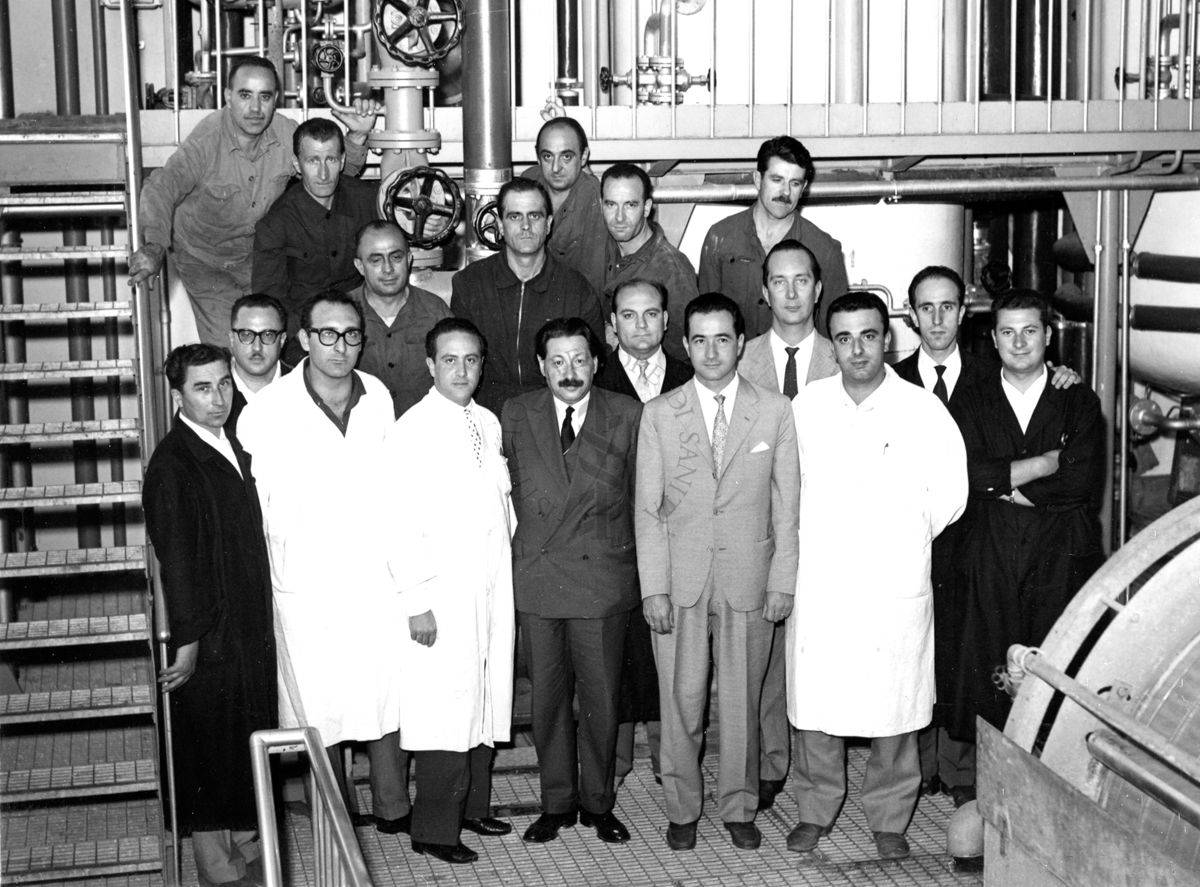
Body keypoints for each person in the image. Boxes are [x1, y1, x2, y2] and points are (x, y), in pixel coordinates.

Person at [786, 291, 967, 861]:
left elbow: (951, 495)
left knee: (896, 706)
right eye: (844, 338)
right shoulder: (807, 406)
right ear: (831, 344)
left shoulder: (920, 408)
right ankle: (816, 811)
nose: (857, 348)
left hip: (894, 583)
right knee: (818, 705)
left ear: (886, 339)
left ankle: (890, 818)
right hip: (824, 584)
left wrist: (902, 539)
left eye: (868, 335)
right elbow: (786, 489)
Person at [893, 266, 1079, 805]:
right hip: (913, 535)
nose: (936, 318)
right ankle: (916, 767)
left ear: (965, 312)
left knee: (966, 651)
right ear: (910, 314)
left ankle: (961, 771)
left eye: (947, 306)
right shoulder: (891, 377)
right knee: (915, 653)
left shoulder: (989, 372)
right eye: (925, 307)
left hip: (980, 538)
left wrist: (1060, 376)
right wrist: (1043, 463)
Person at [236, 290, 409, 837]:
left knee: (384, 695)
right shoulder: (268, 411)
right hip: (306, 581)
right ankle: (335, 810)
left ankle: (393, 808)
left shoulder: (377, 396)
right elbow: (257, 506)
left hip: (371, 575)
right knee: (321, 703)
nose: (340, 346)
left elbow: (394, 489)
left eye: (351, 334)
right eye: (327, 335)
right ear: (305, 340)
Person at [635, 293, 800, 853]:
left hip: (749, 578)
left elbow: (787, 506)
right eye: (699, 340)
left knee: (741, 701)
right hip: (681, 581)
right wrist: (653, 587)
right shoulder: (659, 414)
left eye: (723, 338)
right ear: (684, 344)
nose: (711, 351)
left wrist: (782, 580)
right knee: (680, 699)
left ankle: (739, 806)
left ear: (740, 342)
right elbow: (648, 510)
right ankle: (682, 808)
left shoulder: (774, 410)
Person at [947, 289, 1103, 764]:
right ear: (993, 338)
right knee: (992, 663)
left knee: (1055, 663)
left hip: (1060, 552)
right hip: (991, 550)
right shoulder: (970, 400)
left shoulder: (1075, 398)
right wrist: (1043, 463)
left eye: (1030, 331)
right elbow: (967, 475)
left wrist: (1005, 483)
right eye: (1008, 332)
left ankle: (1054, 769)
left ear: (1048, 336)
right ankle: (989, 777)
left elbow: (1078, 480)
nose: (1019, 343)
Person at [502, 318, 642, 846]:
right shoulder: (517, 413)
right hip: (538, 579)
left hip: (601, 580)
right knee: (548, 700)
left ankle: (598, 802)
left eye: (580, 359)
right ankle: (556, 802)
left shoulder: (627, 414)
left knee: (602, 699)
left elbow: (640, 502)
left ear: (597, 361)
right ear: (541, 366)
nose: (569, 372)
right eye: (557, 361)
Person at [382, 317, 516, 865]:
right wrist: (416, 601)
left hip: (489, 582)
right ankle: (434, 830)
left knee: (484, 693)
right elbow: (395, 521)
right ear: (431, 365)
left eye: (472, 360)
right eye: (451, 360)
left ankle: (473, 807)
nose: (462, 370)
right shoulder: (412, 429)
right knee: (445, 707)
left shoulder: (486, 421)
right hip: (440, 593)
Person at [129, 57, 380, 345]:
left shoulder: (285, 133)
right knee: (232, 347)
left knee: (272, 343)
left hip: (258, 259)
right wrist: (155, 245)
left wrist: (357, 137)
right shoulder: (205, 143)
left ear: (275, 99)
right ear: (228, 97)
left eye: (265, 96)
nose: (256, 109)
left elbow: (326, 175)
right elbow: (161, 187)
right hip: (206, 263)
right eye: (245, 95)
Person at [143, 344, 276, 887]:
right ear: (178, 396)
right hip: (209, 629)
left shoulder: (233, 439)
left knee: (242, 735)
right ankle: (219, 870)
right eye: (203, 388)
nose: (218, 397)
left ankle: (247, 845)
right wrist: (188, 639)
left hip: (242, 622)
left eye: (224, 384)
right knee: (210, 748)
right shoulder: (173, 464)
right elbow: (177, 562)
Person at [737, 238, 839, 813]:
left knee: (820, 651)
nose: (792, 292)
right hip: (761, 532)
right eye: (780, 281)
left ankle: (817, 767)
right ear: (764, 290)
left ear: (818, 288)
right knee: (766, 657)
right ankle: (771, 762)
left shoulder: (844, 355)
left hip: (825, 532)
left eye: (803, 280)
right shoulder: (740, 357)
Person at [592, 278, 691, 792]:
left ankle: (669, 756)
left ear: (667, 320)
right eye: (628, 316)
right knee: (622, 653)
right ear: (612, 326)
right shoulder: (596, 378)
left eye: (651, 314)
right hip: (615, 537)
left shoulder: (689, 374)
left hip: (679, 536)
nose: (641, 326)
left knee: (671, 650)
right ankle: (618, 760)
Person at [451, 177, 604, 415]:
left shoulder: (577, 289)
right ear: (500, 225)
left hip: (553, 419)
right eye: (514, 216)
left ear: (549, 224)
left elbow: (594, 369)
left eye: (534, 216)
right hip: (486, 417)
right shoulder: (470, 284)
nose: (525, 225)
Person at [697, 136, 849, 340]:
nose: (785, 192)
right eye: (777, 180)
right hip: (735, 368)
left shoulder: (824, 250)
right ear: (758, 180)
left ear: (803, 188)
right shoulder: (720, 238)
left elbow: (834, 333)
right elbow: (706, 321)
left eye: (794, 183)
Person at [251, 117, 380, 352]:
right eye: (313, 160)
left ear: (342, 161)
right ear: (297, 164)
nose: (323, 173)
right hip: (304, 338)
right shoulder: (275, 224)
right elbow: (271, 305)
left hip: (364, 329)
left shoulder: (369, 201)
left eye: (330, 159)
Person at [346, 221, 451, 417]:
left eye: (396, 257)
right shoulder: (340, 314)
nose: (388, 269)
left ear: (409, 259)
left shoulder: (436, 312)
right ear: (360, 266)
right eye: (376, 260)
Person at [599, 163, 698, 362]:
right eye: (611, 204)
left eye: (630, 205)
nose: (619, 217)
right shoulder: (599, 249)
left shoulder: (672, 269)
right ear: (601, 205)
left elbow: (684, 355)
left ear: (646, 208)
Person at [522, 117, 608, 292]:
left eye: (566, 157)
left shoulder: (594, 200)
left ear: (583, 157)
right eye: (547, 156)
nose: (555, 168)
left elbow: (593, 285)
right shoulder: (528, 181)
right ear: (538, 157)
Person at [225, 294, 287, 436]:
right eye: (246, 335)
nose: (257, 347)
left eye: (268, 335)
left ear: (282, 340)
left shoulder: (307, 388)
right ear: (232, 339)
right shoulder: (210, 394)